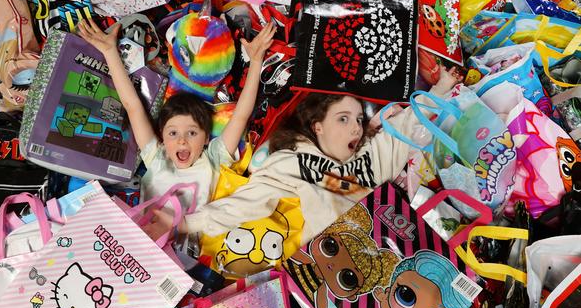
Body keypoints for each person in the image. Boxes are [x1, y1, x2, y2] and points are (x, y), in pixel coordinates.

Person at [180, 66, 462, 244]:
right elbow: (247, 203)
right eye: (343, 119)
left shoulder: (367, 157)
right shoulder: (290, 160)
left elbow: (403, 129)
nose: (354, 127)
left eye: (357, 120)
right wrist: (186, 224)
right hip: (329, 253)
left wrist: (440, 88)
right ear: (318, 126)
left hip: (387, 243)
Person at [78, 17, 276, 212]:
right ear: (162, 135)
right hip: (142, 239)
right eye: (173, 133)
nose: (182, 141)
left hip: (183, 242)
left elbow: (241, 115)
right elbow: (132, 106)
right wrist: (109, 51)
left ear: (206, 137)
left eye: (191, 133)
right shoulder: (157, 157)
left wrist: (256, 59)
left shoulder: (214, 159)